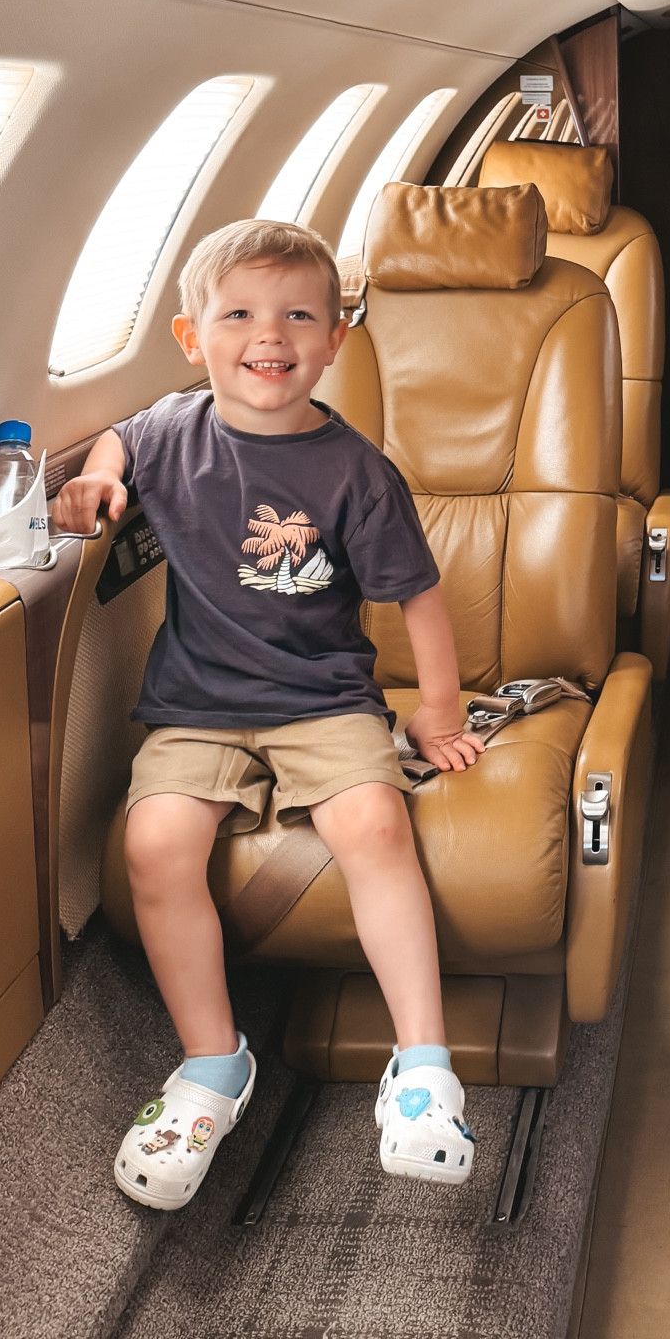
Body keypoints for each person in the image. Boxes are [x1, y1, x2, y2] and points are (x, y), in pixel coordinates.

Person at [54, 219, 486, 1211]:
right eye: (239, 313)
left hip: (325, 700)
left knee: (375, 825)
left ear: (337, 338)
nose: (271, 334)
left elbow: (417, 595)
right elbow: (124, 440)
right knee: (155, 842)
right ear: (190, 334)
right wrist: (101, 475)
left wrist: (434, 708)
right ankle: (214, 1061)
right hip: (197, 707)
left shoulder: (356, 470)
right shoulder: (171, 432)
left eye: (300, 314)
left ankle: (422, 1068)